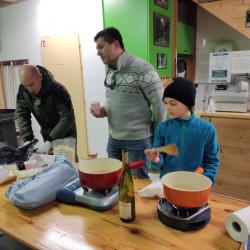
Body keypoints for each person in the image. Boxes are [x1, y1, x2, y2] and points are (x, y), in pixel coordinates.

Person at [91, 27, 165, 179]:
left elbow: (159, 103)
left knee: (136, 185)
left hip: (137, 141)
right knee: (114, 181)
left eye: (101, 47)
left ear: (116, 44)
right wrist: (104, 110)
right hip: (114, 139)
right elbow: (116, 98)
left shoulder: (142, 68)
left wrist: (157, 135)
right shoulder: (110, 69)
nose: (98, 52)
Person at [145, 77, 220, 184]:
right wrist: (156, 159)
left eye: (173, 103)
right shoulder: (162, 128)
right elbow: (160, 160)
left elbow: (211, 161)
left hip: (195, 184)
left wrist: (207, 181)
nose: (168, 107)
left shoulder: (207, 129)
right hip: (168, 183)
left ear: (188, 103)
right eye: (166, 103)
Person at [16, 64, 77, 154]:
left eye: (31, 84)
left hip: (66, 137)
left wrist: (50, 140)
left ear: (40, 76)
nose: (29, 89)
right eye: (25, 85)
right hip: (47, 136)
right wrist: (27, 139)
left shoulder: (58, 90)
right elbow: (21, 113)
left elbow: (67, 117)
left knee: (67, 165)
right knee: (52, 165)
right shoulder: (23, 90)